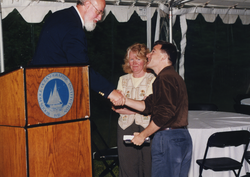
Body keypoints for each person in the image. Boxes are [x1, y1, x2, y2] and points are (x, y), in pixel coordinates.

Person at [113, 40, 192, 177]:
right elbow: (148, 106)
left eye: (153, 51)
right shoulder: (171, 77)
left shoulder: (164, 78)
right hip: (179, 138)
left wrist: (143, 135)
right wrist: (123, 100)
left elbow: (164, 114)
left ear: (163, 57)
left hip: (168, 140)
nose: (148, 55)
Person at [30, 0, 123, 102]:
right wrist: (110, 91)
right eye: (98, 12)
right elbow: (81, 70)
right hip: (53, 95)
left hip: (36, 86)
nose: (100, 17)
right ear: (87, 4)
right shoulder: (74, 29)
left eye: (102, 13)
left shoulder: (58, 16)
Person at [112, 43, 155, 177]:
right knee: (127, 165)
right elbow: (116, 107)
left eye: (138, 59)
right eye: (131, 59)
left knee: (148, 164)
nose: (134, 63)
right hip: (125, 126)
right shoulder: (122, 80)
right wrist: (142, 107)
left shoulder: (153, 79)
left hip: (147, 127)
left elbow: (149, 108)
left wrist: (127, 106)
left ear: (145, 61)